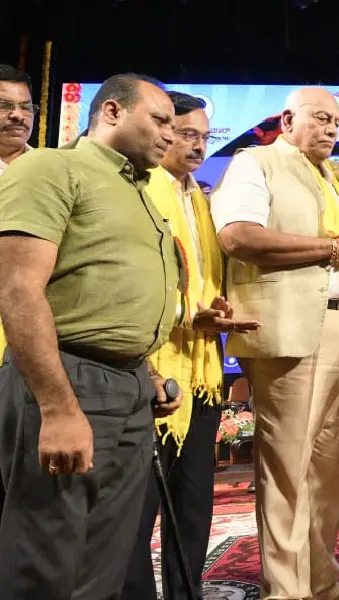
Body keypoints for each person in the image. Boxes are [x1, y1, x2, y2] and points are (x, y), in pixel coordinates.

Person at [0, 73, 183, 599]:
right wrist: (57, 408)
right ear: (111, 113)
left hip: (127, 389)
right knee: (46, 558)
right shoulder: (52, 167)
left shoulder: (141, 189)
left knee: (103, 560)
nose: (170, 135)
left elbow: (109, 292)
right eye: (160, 120)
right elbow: (18, 290)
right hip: (67, 378)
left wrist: (146, 373)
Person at [210, 87, 339, 600]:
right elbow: (238, 237)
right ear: (287, 118)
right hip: (294, 331)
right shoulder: (256, 162)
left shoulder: (335, 175)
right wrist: (336, 247)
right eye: (321, 119)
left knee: (333, 467)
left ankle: (321, 582)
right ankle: (286, 591)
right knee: (289, 468)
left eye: (338, 121)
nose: (333, 129)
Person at [121, 91, 261, 600]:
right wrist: (187, 314)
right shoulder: (140, 191)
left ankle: (188, 593)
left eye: (205, 137)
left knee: (193, 503)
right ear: (160, 132)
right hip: (150, 370)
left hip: (202, 371)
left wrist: (217, 310)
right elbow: (135, 282)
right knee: (137, 509)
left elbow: (201, 276)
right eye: (187, 134)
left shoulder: (198, 197)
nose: (199, 146)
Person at [0, 64, 38, 358]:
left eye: (26, 107)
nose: (17, 115)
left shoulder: (53, 171)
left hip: (35, 331)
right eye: (4, 106)